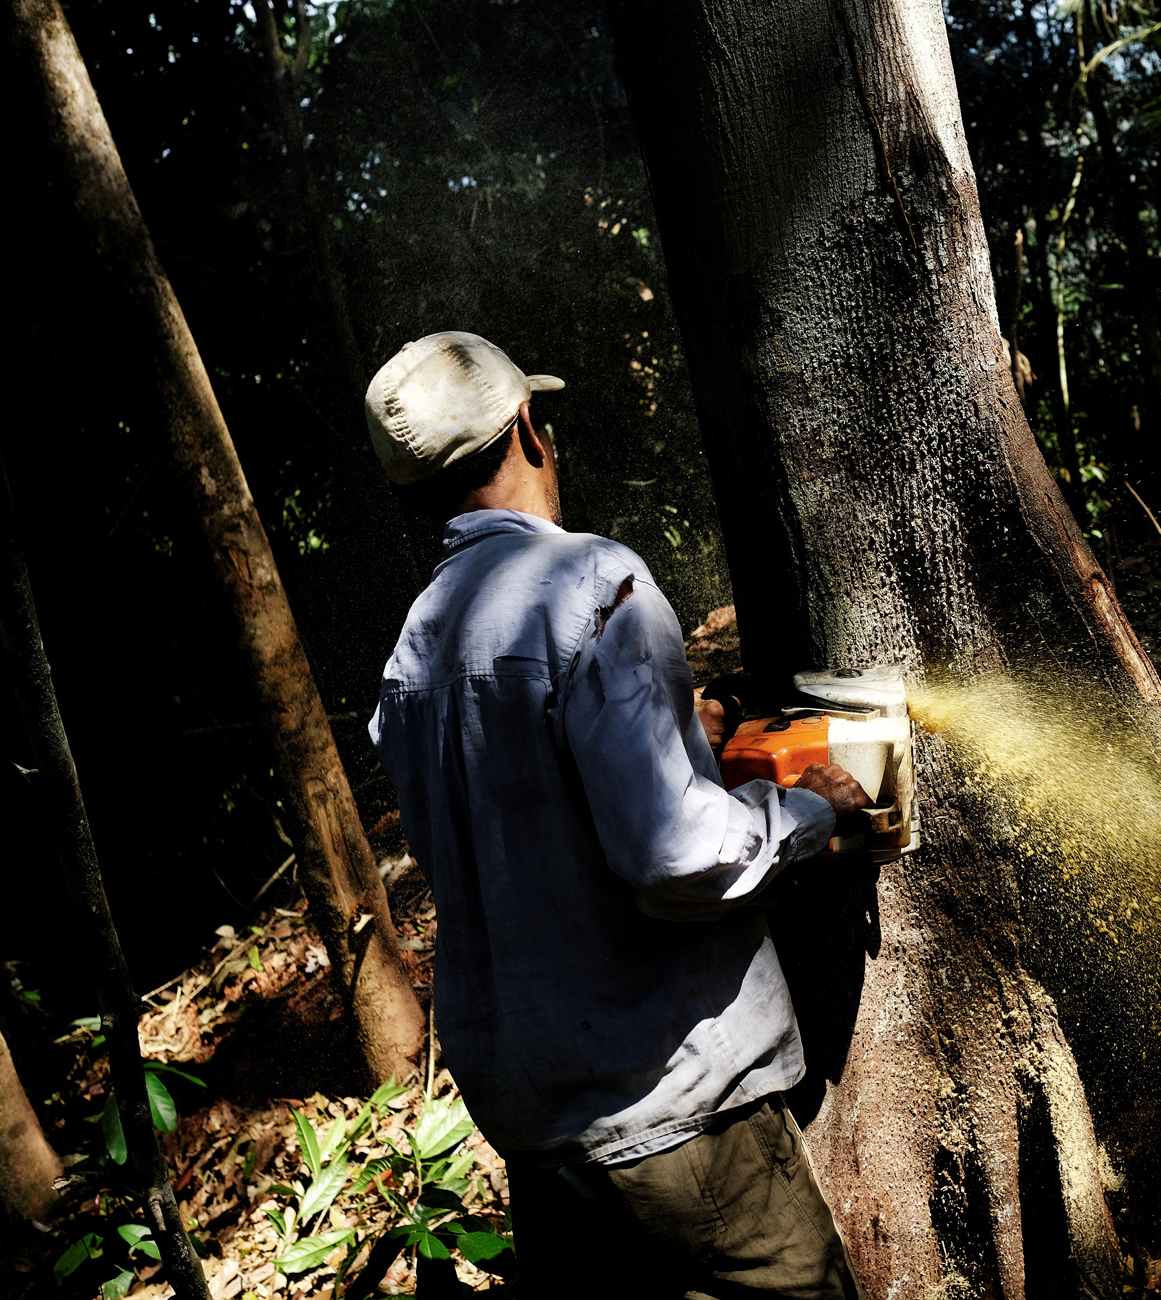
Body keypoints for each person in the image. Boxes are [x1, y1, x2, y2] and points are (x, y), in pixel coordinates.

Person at [364, 331, 869, 1298]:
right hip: (669, 1110)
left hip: (542, 1132)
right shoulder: (590, 583)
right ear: (527, 431)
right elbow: (677, 859)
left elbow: (527, 822)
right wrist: (804, 814)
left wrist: (681, 733)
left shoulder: (411, 654)